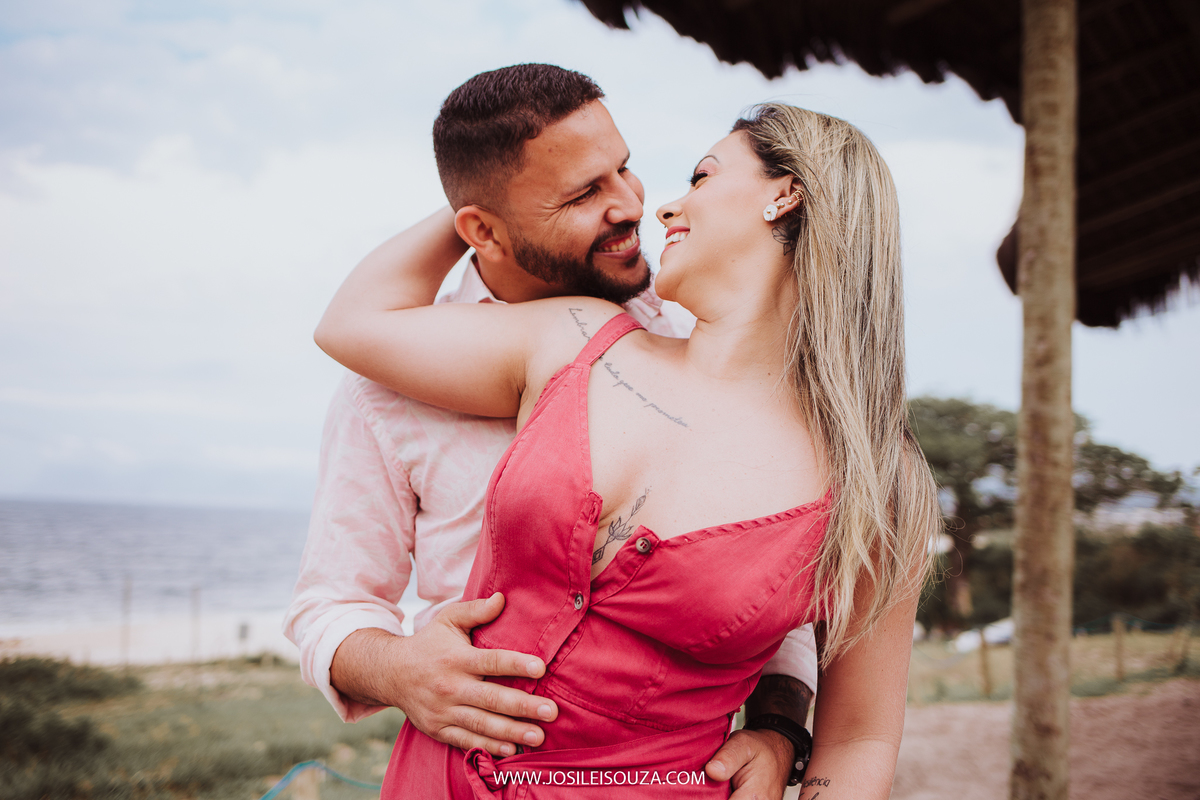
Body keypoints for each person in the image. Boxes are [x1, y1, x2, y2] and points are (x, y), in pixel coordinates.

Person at [315, 84, 940, 798]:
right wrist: (493, 191)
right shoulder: (573, 337)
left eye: (698, 177)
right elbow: (349, 325)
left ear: (788, 195)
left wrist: (781, 729)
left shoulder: (872, 477)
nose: (653, 205)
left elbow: (857, 732)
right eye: (582, 191)